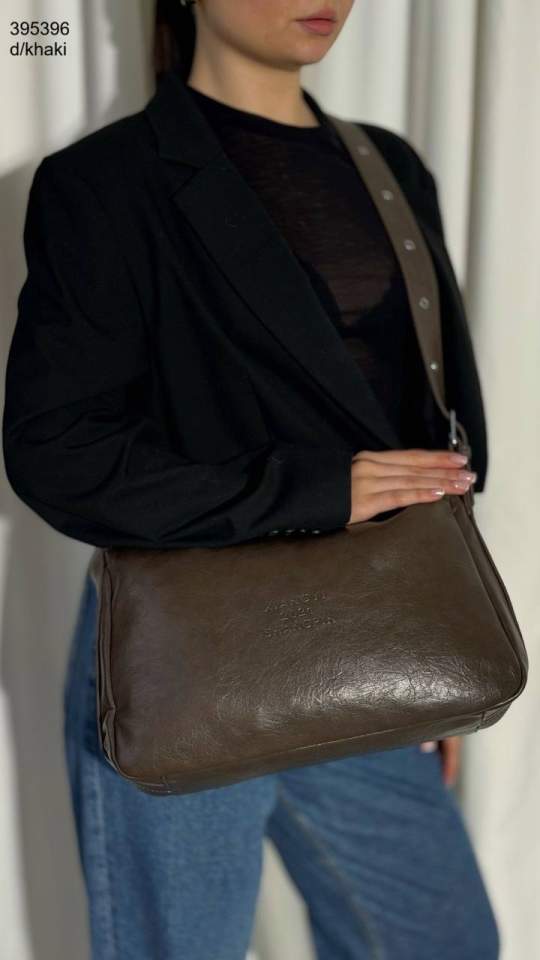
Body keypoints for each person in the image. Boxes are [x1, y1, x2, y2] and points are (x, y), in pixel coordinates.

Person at [3, 1, 499, 957]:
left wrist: (431, 632)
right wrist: (316, 489)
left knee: (444, 941)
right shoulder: (105, 183)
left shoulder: (391, 169)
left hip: (373, 640)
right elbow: (56, 451)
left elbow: (423, 414)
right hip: (185, 661)